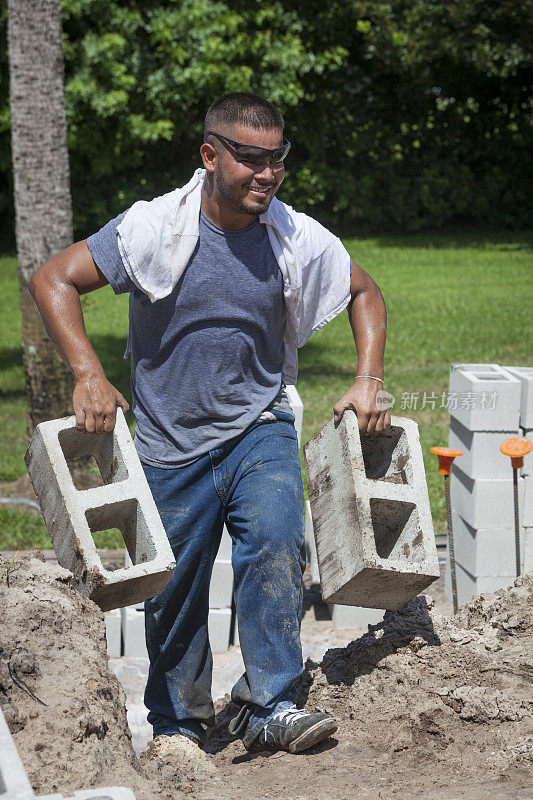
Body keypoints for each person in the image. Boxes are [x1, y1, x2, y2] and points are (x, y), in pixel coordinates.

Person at [29, 92, 390, 755]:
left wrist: (367, 379)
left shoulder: (294, 236)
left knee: (278, 542)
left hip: (260, 425)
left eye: (276, 157)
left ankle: (270, 704)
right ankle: (177, 726)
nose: (266, 173)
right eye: (249, 158)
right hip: (170, 442)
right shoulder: (153, 229)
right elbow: (54, 278)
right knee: (173, 588)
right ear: (210, 154)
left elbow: (364, 291)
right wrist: (88, 373)